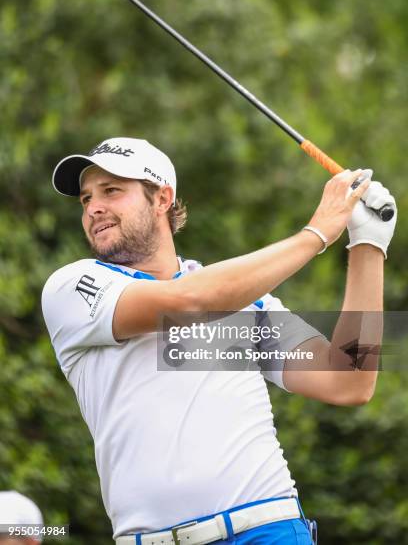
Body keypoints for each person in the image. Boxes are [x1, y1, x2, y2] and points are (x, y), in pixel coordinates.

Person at [41, 137, 396, 544]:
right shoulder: (74, 288)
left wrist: (369, 244)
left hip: (267, 529)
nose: (94, 207)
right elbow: (189, 302)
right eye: (86, 198)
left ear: (162, 199)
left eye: (112, 191)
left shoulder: (246, 301)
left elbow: (348, 379)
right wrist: (316, 233)